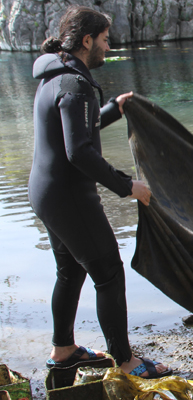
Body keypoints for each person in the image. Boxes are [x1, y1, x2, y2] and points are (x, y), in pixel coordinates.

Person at [29, 5, 171, 378]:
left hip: (45, 192)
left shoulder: (56, 74)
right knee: (108, 272)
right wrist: (129, 186)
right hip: (68, 195)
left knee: (70, 271)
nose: (108, 47)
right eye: (105, 40)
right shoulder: (75, 84)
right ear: (87, 40)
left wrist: (113, 109)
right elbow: (79, 152)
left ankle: (64, 351)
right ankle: (126, 361)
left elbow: (74, 132)